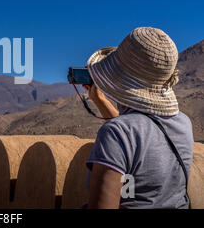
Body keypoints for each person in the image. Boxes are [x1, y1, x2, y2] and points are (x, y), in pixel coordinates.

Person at [83, 27, 194, 209]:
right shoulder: (183, 123)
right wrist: (99, 100)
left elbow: (129, 135)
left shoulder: (115, 133)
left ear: (117, 77)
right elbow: (138, 134)